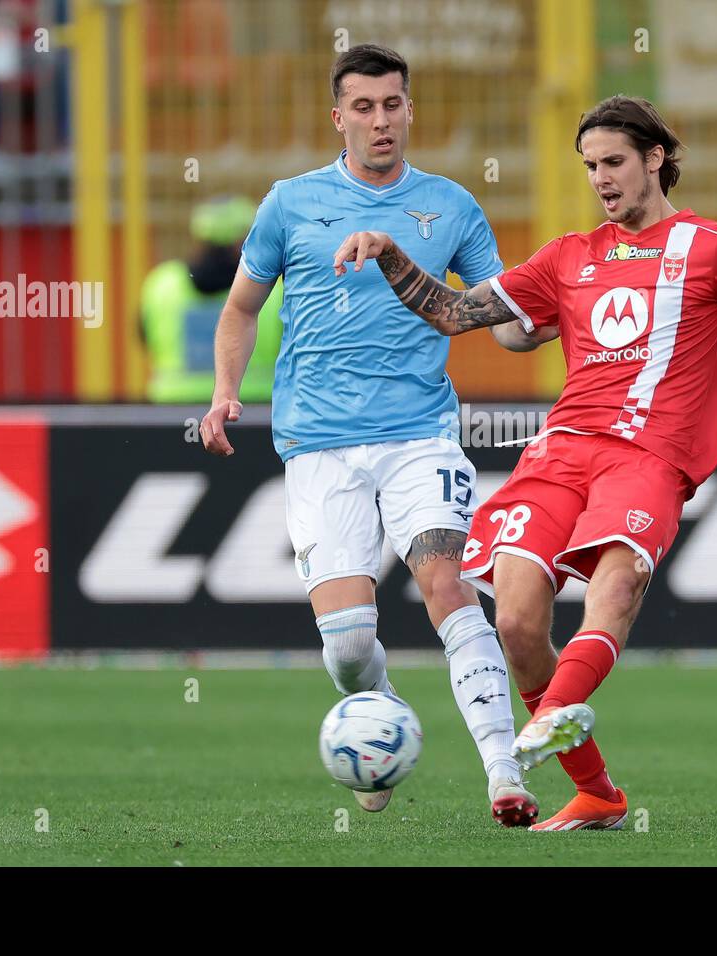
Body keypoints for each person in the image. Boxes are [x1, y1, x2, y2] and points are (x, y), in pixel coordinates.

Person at [332, 95, 717, 831]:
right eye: (589, 167)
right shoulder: (568, 257)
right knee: (515, 622)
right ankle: (600, 794)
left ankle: (557, 716)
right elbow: (455, 313)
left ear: (655, 159)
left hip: (651, 456)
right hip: (560, 450)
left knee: (617, 585)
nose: (602, 179)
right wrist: (391, 253)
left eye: (614, 162)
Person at [201, 45, 537, 826]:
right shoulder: (290, 203)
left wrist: (532, 328)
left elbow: (493, 308)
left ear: (410, 109)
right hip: (318, 446)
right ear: (338, 117)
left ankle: (504, 773)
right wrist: (224, 391)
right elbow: (243, 308)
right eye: (364, 107)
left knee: (446, 588)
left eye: (393, 105)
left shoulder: (451, 205)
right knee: (349, 643)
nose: (381, 121)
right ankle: (379, 715)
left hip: (420, 433)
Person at [141, 196, 282, 404]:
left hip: (172, 408)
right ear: (244, 240)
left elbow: (144, 338)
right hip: (250, 408)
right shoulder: (274, 289)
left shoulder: (161, 283)